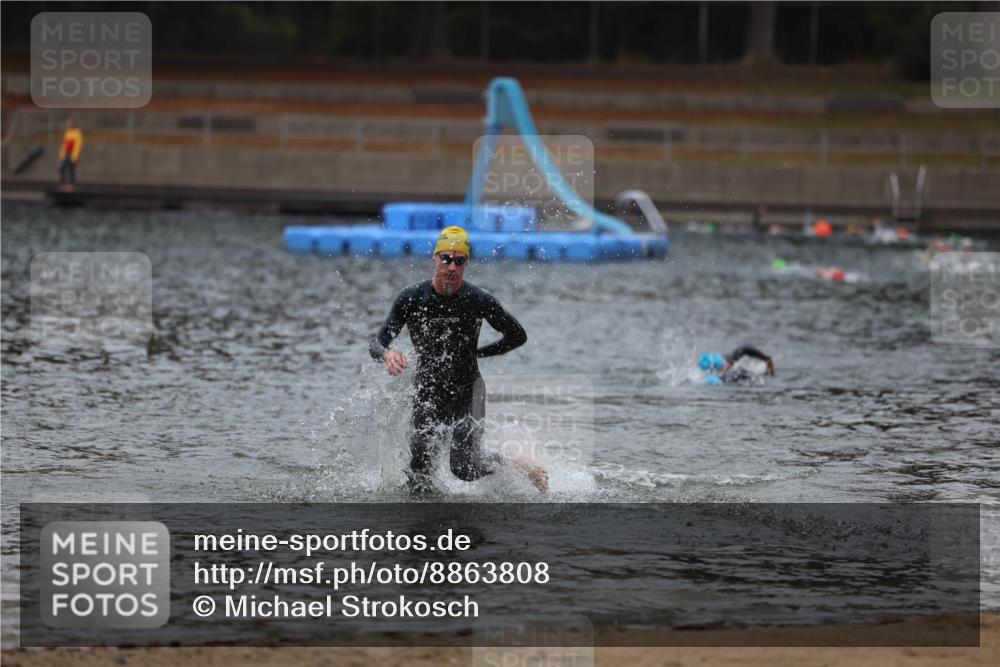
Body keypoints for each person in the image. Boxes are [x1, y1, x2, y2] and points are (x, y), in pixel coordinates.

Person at [369, 226, 546, 496]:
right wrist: (388, 354)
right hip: (428, 392)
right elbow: (376, 343)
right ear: (435, 258)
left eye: (459, 260)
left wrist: (479, 353)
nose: (452, 267)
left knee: (464, 467)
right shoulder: (412, 298)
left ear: (466, 263)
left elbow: (517, 335)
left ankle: (520, 465)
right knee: (419, 477)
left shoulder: (478, 299)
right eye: (446, 258)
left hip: (468, 392)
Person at [700, 346, 775, 385]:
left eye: (725, 364)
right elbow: (741, 373)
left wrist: (765, 358)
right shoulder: (726, 375)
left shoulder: (732, 357)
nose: (726, 367)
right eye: (722, 368)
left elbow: (746, 349)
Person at [58, 118, 83, 187]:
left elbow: (78, 145)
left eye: (69, 123)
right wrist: (61, 154)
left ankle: (71, 185)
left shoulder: (77, 133)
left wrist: (75, 156)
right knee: (62, 168)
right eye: (68, 123)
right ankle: (64, 183)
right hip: (66, 154)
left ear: (73, 124)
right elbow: (64, 145)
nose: (68, 124)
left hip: (72, 154)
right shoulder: (67, 132)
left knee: (71, 169)